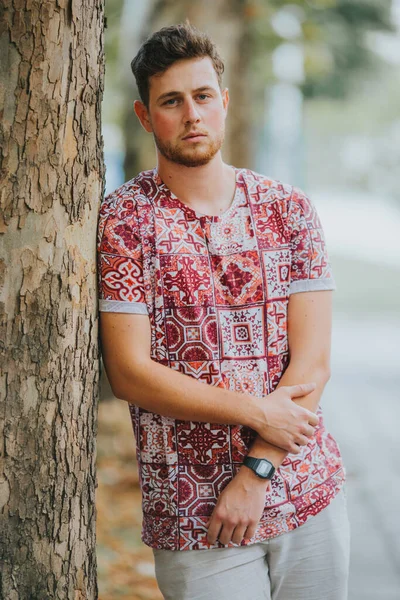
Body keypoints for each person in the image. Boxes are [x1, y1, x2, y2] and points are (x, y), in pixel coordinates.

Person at [97, 22, 350, 600]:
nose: (192, 115)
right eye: (171, 101)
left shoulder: (289, 209)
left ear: (225, 101)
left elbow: (312, 361)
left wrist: (258, 469)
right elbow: (130, 374)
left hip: (306, 489)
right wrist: (260, 413)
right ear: (144, 116)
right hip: (194, 513)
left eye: (203, 96)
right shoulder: (125, 222)